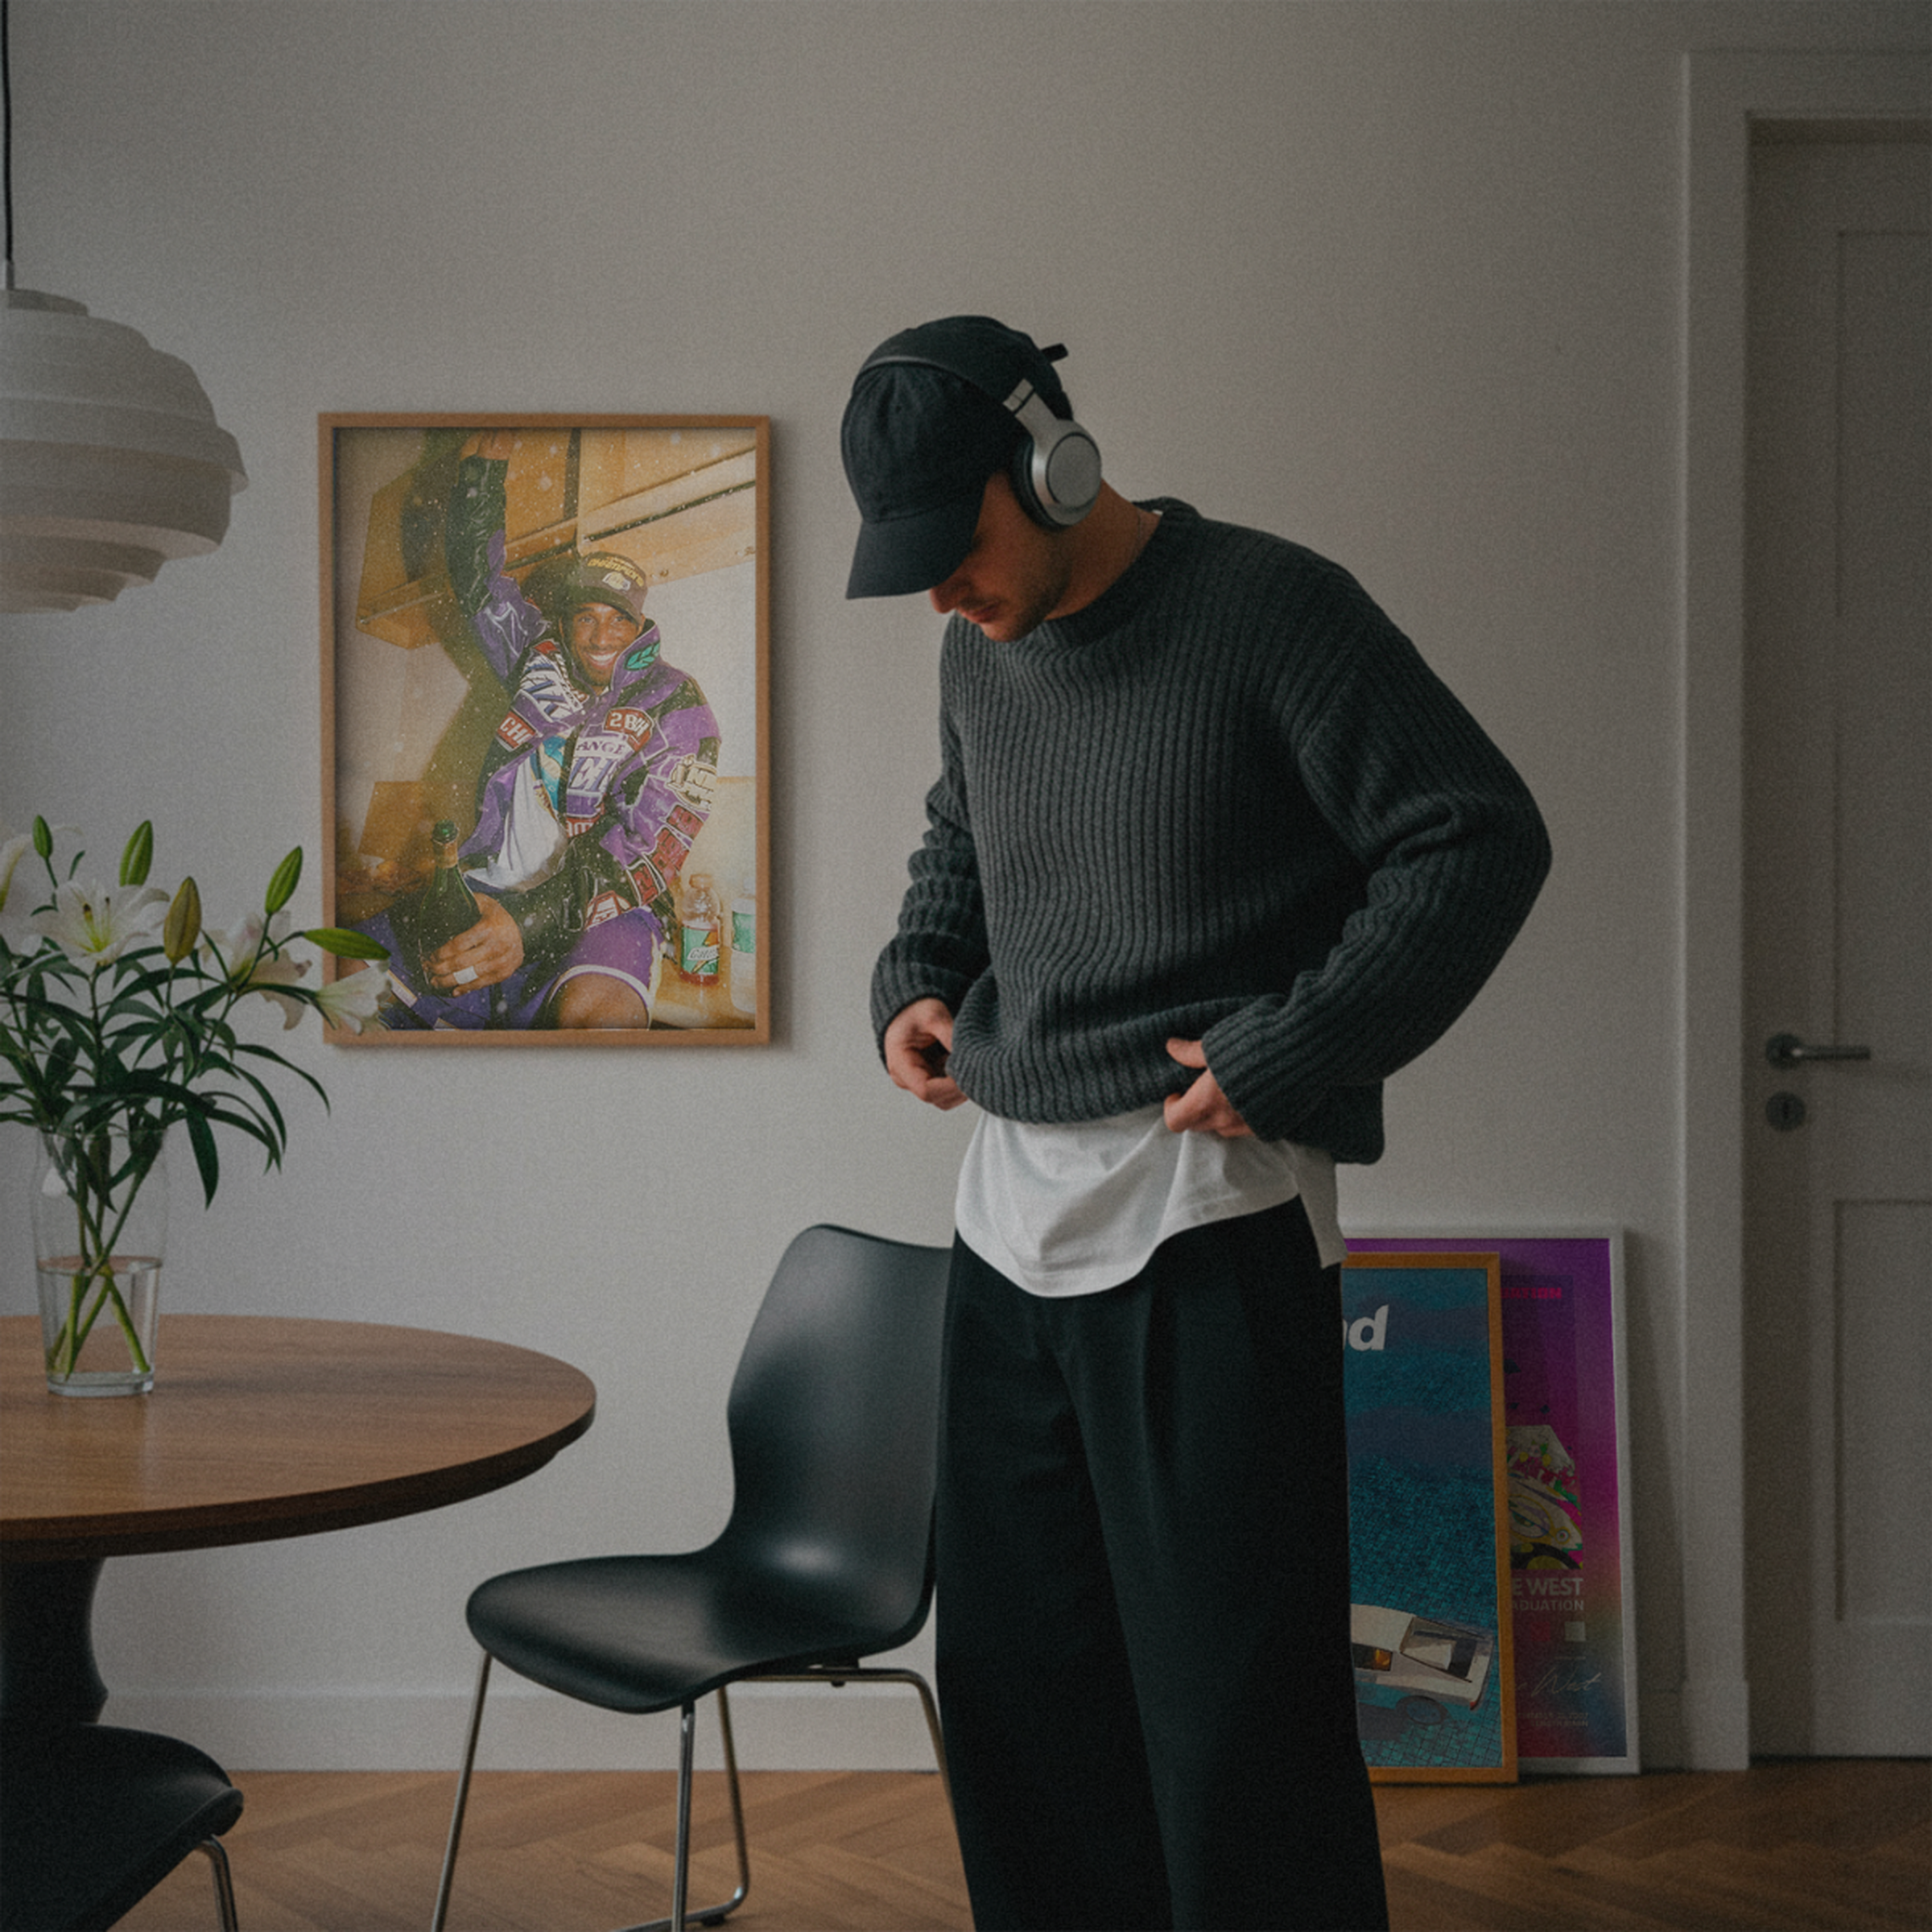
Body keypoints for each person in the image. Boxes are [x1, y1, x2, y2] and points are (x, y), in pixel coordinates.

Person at [842, 315, 1550, 1931]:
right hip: (1005, 1232)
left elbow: (1475, 835)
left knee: (1238, 1730)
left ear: (1052, 464)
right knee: (1025, 1711)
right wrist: (919, 973)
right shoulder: (980, 649)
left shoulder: (1273, 611)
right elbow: (964, 832)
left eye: (957, 549)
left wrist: (1299, 1043)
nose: (943, 596)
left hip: (1206, 1225)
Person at [366, 431, 721, 1030]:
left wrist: (528, 924)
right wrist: (482, 478)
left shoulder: (675, 702)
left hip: (607, 910)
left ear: (640, 626)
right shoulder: (538, 659)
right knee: (331, 972)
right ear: (566, 621)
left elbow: (646, 846)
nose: (600, 635)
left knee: (594, 1020)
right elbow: (478, 584)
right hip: (487, 887)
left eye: (618, 620)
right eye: (585, 617)